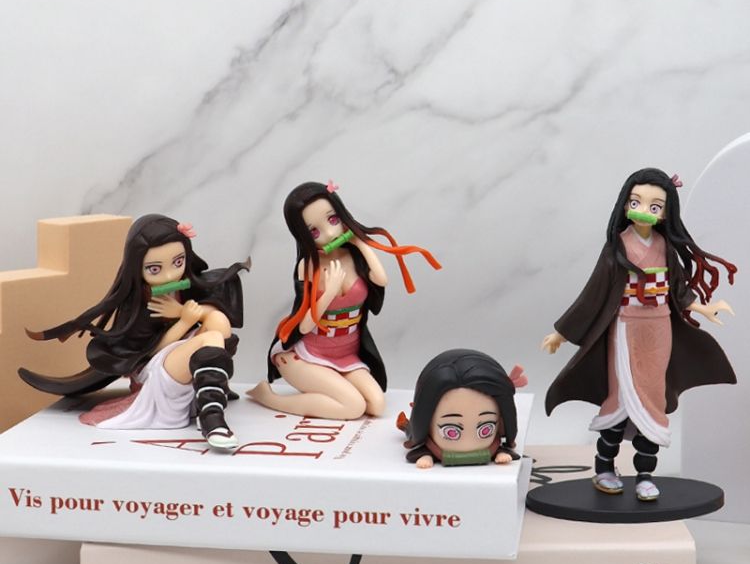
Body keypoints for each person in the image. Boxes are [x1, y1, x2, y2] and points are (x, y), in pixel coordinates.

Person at [542, 168, 736, 500]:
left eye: (654, 206)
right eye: (636, 202)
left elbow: (678, 289)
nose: (644, 210)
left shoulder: (664, 246)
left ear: (665, 213)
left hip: (659, 329)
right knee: (621, 397)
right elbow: (593, 293)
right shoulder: (617, 247)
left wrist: (703, 307)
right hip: (624, 329)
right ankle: (605, 467)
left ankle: (645, 474)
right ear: (625, 204)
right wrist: (562, 332)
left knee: (652, 400)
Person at [19, 214, 249, 451]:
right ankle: (212, 419)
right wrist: (184, 322)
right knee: (212, 337)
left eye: (178, 262)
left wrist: (182, 311)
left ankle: (212, 388)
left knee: (219, 321)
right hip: (154, 370)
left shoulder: (185, 287)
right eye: (154, 269)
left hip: (180, 357)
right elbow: (149, 352)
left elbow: (212, 313)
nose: (169, 276)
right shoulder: (142, 302)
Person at [247, 180, 440, 420]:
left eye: (333, 219)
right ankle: (269, 397)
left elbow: (381, 280)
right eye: (314, 231)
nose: (330, 234)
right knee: (353, 407)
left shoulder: (355, 256)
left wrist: (361, 242)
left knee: (377, 405)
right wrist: (329, 292)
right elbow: (304, 326)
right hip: (305, 356)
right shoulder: (308, 266)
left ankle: (334, 387)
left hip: (346, 354)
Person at [398, 348, 525, 468]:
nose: (469, 443)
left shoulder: (494, 446)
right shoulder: (433, 445)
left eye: (486, 429)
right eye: (450, 431)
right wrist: (427, 456)